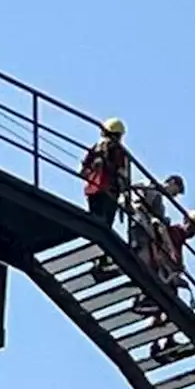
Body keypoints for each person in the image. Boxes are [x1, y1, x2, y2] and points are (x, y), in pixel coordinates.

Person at [145, 210, 195, 359]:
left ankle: (166, 341)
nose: (193, 234)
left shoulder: (178, 238)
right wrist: (174, 269)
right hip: (163, 277)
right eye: (193, 229)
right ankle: (158, 342)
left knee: (165, 311)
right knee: (163, 310)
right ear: (186, 221)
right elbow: (163, 252)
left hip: (167, 278)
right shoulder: (174, 233)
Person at [80, 117, 129, 276]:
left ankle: (97, 259)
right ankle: (100, 261)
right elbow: (122, 174)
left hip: (94, 191)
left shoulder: (96, 148)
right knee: (104, 227)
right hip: (109, 192)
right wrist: (125, 193)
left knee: (96, 223)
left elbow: (83, 170)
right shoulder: (119, 152)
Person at [129, 174, 185, 268]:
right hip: (140, 222)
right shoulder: (149, 185)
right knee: (139, 251)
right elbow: (135, 196)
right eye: (176, 191)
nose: (174, 196)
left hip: (146, 228)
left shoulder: (160, 202)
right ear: (172, 182)